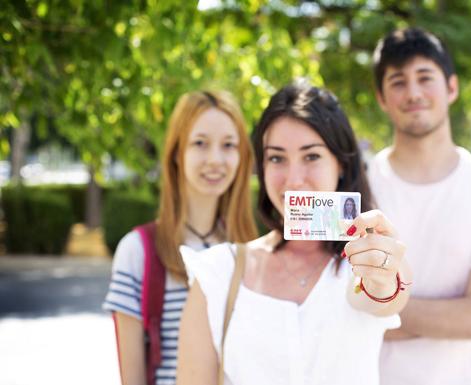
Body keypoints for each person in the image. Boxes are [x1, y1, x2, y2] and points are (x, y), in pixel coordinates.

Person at [177, 81, 413, 385]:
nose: (294, 179)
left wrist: (384, 274)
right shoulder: (219, 271)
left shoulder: (363, 263)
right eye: (276, 158)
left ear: (341, 163)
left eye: (311, 156)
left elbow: (386, 296)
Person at [368, 27, 471, 385]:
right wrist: (452, 318)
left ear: (451, 87)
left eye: (425, 78)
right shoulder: (357, 187)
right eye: (398, 82)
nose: (414, 93)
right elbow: (336, 306)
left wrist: (380, 310)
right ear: (381, 97)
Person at [103, 90, 258, 385]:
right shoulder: (138, 251)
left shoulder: (251, 251)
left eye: (228, 145)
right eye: (200, 143)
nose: (215, 159)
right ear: (176, 152)